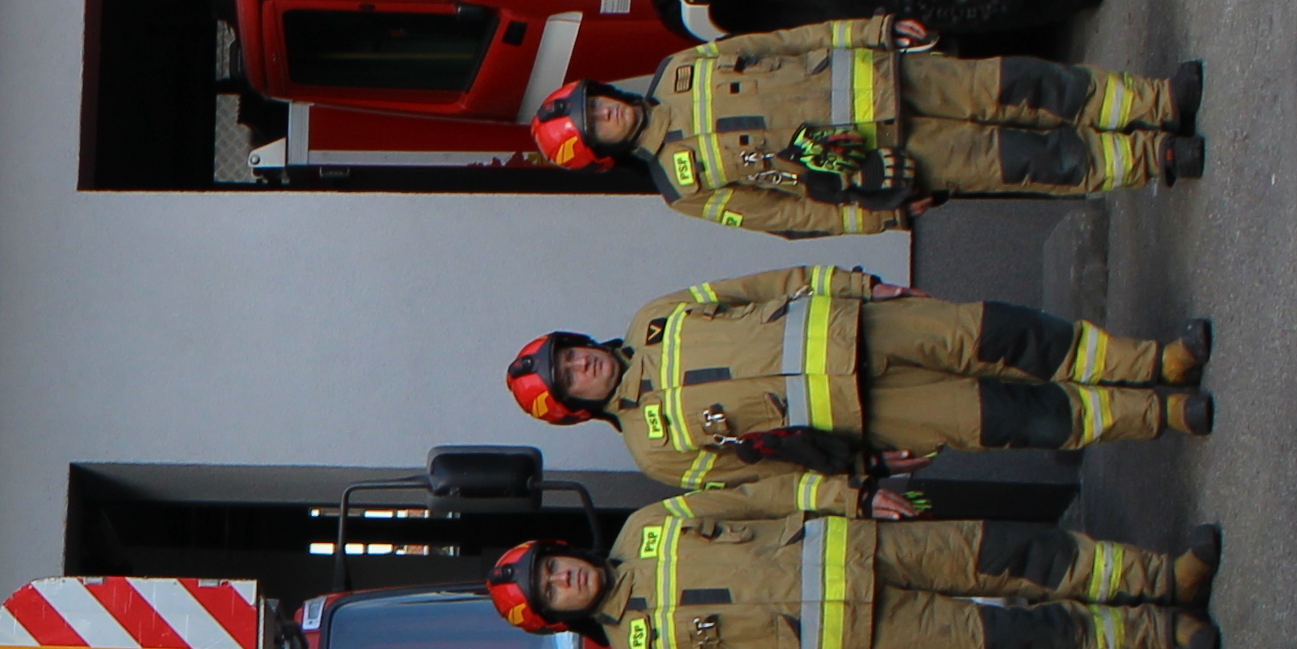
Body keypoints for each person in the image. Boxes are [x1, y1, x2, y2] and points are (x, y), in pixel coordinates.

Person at [482, 490, 1217, 649]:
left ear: (563, 551)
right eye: (552, 592)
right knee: (1024, 642)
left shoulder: (649, 524)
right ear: (559, 616)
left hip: (870, 547)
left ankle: (1165, 578)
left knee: (1017, 554)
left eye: (553, 567)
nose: (563, 579)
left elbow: (761, 495)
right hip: (876, 636)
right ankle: (1163, 635)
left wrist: (850, 496)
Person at [511, 258, 1209, 486]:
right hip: (871, 419)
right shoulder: (654, 451)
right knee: (1014, 418)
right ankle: (1160, 413)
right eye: (572, 378)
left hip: (866, 329)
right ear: (579, 405)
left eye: (571, 354)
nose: (582, 364)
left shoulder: (655, 319)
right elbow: (767, 481)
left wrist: (859, 285)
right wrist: (859, 471)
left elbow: (765, 286)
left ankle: (1154, 362)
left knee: (1003, 332)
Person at [531, 20, 1199, 232]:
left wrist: (873, 28)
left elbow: (788, 40)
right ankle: (1156, 158)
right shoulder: (682, 190)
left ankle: (1156, 101)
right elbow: (790, 217)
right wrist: (884, 216)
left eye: (595, 104)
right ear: (603, 151)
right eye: (596, 127)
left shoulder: (679, 68)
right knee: (1026, 159)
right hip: (887, 158)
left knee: (1024, 84)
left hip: (889, 79)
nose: (606, 114)